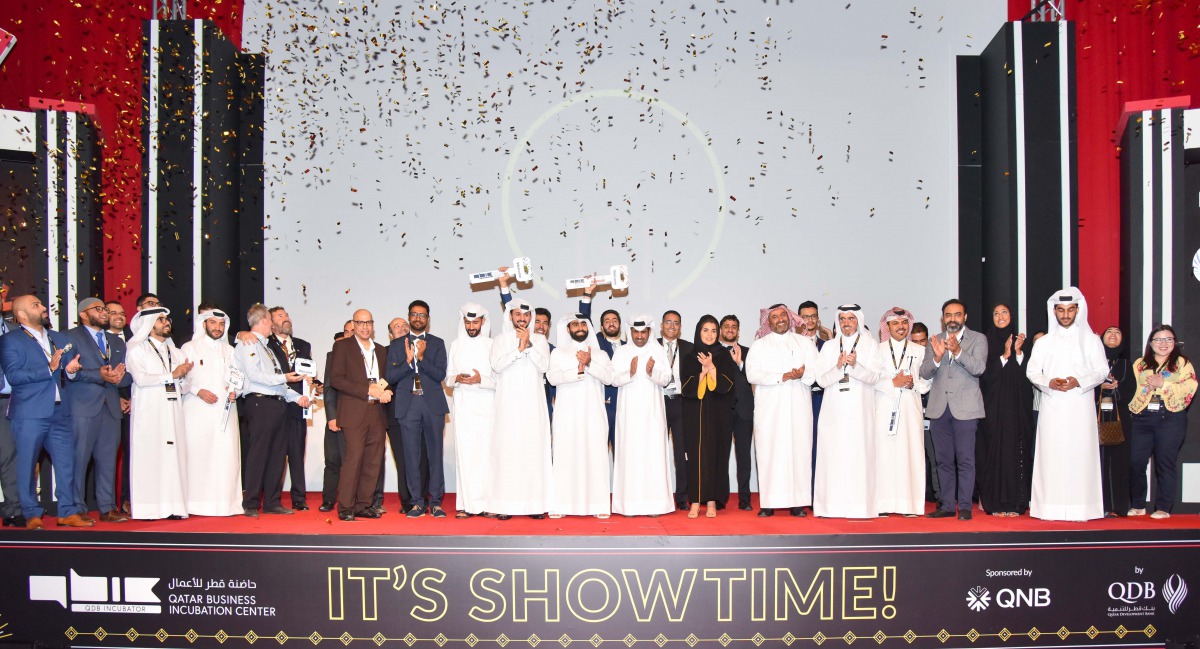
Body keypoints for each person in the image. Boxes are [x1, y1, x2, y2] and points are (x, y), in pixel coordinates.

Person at [0, 295, 88, 529]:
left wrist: (70, 371)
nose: (42, 308)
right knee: (26, 465)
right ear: (21, 315)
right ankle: (31, 514)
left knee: (67, 463)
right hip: (29, 413)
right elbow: (14, 376)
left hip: (60, 412)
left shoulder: (59, 338)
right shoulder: (11, 340)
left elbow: (70, 374)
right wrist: (47, 368)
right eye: (35, 305)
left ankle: (67, 512)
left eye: (41, 304)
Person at [1025, 288, 1108, 521]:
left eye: (1070, 310)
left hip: (1080, 407)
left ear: (1077, 311)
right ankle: (1048, 508)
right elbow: (1032, 372)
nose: (1065, 314)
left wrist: (1078, 381)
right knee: (1051, 456)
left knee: (1080, 456)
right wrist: (1049, 382)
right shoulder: (1044, 343)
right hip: (1052, 407)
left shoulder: (1091, 341)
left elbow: (1102, 371)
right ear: (1054, 312)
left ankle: (1082, 508)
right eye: (1061, 310)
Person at [233, 304, 310, 517]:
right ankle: (250, 503)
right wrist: (285, 377)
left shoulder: (267, 347)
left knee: (277, 454)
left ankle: (272, 501)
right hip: (260, 404)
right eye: (271, 319)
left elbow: (280, 385)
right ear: (265, 320)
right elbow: (255, 375)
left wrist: (298, 397)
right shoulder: (249, 343)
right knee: (259, 453)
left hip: (277, 403)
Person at [746, 304, 818, 517]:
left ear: (789, 318)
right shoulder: (759, 346)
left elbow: (815, 374)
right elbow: (752, 375)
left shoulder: (805, 343)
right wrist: (783, 376)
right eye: (775, 317)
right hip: (770, 411)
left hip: (798, 408)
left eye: (783, 316)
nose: (779, 320)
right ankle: (768, 502)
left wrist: (802, 374)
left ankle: (797, 502)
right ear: (768, 322)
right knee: (770, 452)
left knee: (798, 452)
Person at [813, 304, 883, 519]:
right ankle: (830, 508)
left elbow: (874, 378)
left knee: (858, 458)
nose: (846, 323)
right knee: (833, 457)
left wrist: (856, 366)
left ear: (858, 321)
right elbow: (821, 380)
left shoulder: (871, 345)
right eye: (842, 319)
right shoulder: (829, 347)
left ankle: (860, 508)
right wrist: (838, 367)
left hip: (859, 412)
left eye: (851, 319)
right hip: (833, 411)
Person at [920, 299, 987, 520]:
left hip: (966, 410)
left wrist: (958, 352)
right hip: (939, 409)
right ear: (943, 318)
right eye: (948, 315)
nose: (952, 319)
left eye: (957, 315)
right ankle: (947, 505)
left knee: (966, 459)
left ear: (965, 317)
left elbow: (978, 368)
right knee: (943, 460)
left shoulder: (978, 339)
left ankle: (965, 507)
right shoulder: (935, 341)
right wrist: (937, 358)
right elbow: (924, 372)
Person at [65, 297, 131, 523]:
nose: (104, 312)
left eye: (105, 309)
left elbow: (127, 374)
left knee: (108, 460)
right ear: (83, 314)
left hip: (111, 407)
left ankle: (107, 507)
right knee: (79, 459)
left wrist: (121, 378)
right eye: (99, 309)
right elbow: (69, 373)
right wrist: (99, 375)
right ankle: (77, 508)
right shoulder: (70, 337)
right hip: (83, 406)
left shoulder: (116, 341)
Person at [488, 298, 553, 519]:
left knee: (533, 453)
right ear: (510, 316)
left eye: (526, 315)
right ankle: (507, 506)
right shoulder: (499, 339)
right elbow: (496, 365)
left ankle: (535, 505)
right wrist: (518, 349)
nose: (522, 319)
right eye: (518, 315)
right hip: (507, 405)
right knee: (508, 453)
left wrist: (530, 345)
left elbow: (544, 366)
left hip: (533, 405)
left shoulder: (539, 339)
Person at [125, 307, 192, 520]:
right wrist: (172, 375)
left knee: (173, 456)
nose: (166, 322)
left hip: (173, 410)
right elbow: (141, 379)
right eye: (160, 319)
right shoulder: (137, 349)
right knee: (150, 457)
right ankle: (149, 509)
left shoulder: (177, 352)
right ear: (149, 325)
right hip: (149, 411)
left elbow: (186, 385)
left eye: (166, 319)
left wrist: (181, 379)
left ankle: (173, 506)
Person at [546, 314, 615, 518]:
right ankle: (562, 505)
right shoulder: (558, 353)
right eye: (575, 324)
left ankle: (598, 506)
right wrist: (577, 372)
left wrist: (590, 363)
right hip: (566, 414)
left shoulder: (600, 354)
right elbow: (551, 377)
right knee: (565, 456)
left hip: (593, 414)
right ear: (568, 329)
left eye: (583, 323)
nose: (579, 327)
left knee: (595, 456)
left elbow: (609, 378)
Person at [327, 309, 393, 521]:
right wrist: (367, 389)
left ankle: (364, 505)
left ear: (373, 325)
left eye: (369, 323)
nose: (365, 327)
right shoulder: (342, 346)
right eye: (360, 323)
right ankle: (346, 506)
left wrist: (386, 390)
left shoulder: (381, 350)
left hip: (377, 412)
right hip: (354, 411)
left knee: (373, 461)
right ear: (353, 325)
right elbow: (336, 379)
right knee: (353, 460)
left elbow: (385, 379)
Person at [386, 300, 449, 519]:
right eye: (414, 314)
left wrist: (421, 358)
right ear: (409, 316)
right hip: (408, 405)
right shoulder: (396, 346)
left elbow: (440, 375)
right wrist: (408, 361)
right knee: (411, 456)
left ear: (428, 319)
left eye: (422, 315)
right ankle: (416, 503)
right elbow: (391, 377)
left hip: (432, 404)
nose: (418, 318)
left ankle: (437, 503)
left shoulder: (437, 343)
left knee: (435, 455)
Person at [1127, 325, 1197, 519]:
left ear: (1175, 343)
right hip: (1142, 417)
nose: (1163, 343)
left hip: (1170, 418)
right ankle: (1138, 505)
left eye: (1168, 339)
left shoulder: (1182, 363)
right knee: (1135, 462)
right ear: (1151, 343)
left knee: (1165, 463)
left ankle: (1163, 508)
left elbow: (1190, 387)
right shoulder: (1140, 364)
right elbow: (1132, 388)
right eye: (1158, 339)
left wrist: (1163, 384)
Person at [179, 307, 242, 516]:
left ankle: (226, 505)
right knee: (199, 454)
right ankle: (196, 504)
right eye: (213, 323)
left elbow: (238, 379)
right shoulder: (189, 348)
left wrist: (236, 392)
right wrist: (199, 391)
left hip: (226, 410)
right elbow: (182, 381)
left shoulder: (230, 351)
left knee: (227, 455)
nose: (218, 328)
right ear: (204, 324)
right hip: (198, 410)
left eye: (222, 324)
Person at [610, 315, 674, 516]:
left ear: (649, 332)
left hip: (653, 415)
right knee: (630, 455)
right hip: (628, 415)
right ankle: (629, 505)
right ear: (630, 332)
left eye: (643, 332)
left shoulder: (658, 351)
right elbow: (612, 380)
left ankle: (654, 505)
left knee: (652, 456)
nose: (639, 336)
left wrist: (651, 372)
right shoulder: (621, 352)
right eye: (636, 332)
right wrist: (630, 372)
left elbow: (666, 380)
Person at [975, 304, 1034, 517]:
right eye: (996, 313)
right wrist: (1004, 355)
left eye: (1004, 313)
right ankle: (995, 504)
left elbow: (1030, 377)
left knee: (1016, 454)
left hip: (1017, 413)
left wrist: (1018, 353)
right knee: (994, 455)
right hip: (993, 413)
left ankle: (1016, 504)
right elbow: (985, 376)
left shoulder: (1023, 345)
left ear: (1011, 316)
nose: (1000, 316)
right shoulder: (985, 343)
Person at [873, 307, 930, 517]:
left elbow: (928, 380)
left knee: (910, 453)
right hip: (884, 407)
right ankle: (882, 504)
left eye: (904, 323)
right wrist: (892, 383)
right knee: (884, 454)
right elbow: (870, 379)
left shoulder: (920, 350)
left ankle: (909, 505)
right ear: (887, 326)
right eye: (895, 323)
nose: (900, 327)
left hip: (910, 407)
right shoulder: (876, 350)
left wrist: (913, 384)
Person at [680, 315, 736, 519]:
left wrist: (712, 368)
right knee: (694, 457)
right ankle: (695, 502)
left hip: (718, 415)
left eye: (713, 330)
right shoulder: (689, 356)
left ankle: (711, 501)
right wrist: (701, 374)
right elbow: (686, 388)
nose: (710, 334)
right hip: (694, 415)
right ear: (698, 331)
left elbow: (728, 385)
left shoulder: (724, 356)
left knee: (714, 455)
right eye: (706, 330)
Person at [444, 303, 496, 518]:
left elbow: (499, 380)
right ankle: (466, 504)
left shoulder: (493, 345)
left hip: (487, 406)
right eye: (468, 322)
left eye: (475, 322)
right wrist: (456, 378)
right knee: (465, 454)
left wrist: (480, 379)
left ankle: (488, 503)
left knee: (486, 455)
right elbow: (448, 378)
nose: (471, 326)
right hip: (464, 406)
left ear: (483, 322)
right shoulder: (455, 345)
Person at [266, 306, 314, 511]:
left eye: (287, 315)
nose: (286, 319)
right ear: (270, 323)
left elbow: (309, 372)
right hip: (275, 404)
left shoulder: (303, 345)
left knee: (297, 452)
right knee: (275, 454)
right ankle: (271, 497)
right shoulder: (265, 344)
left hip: (299, 405)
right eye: (280, 316)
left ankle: (299, 497)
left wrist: (314, 384)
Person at [719, 314, 754, 511]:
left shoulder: (750, 352)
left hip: (744, 412)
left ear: (738, 331)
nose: (730, 330)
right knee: (721, 457)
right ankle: (720, 498)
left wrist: (740, 364)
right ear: (721, 330)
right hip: (721, 412)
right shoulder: (713, 353)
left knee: (744, 457)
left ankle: (745, 499)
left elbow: (755, 376)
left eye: (734, 327)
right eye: (726, 326)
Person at [659, 310, 693, 510]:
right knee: (656, 451)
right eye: (668, 322)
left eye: (676, 323)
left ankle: (682, 497)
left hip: (681, 404)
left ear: (680, 327)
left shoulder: (689, 348)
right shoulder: (651, 346)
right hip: (658, 403)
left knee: (682, 453)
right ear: (662, 326)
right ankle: (658, 496)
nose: (672, 326)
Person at [1098, 326, 1132, 517]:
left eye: (1117, 332)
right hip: (1097, 418)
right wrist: (1100, 387)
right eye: (1109, 332)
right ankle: (1099, 505)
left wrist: (1116, 388)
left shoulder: (1127, 365)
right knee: (1099, 462)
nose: (1112, 335)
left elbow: (1131, 392)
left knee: (1119, 462)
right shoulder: (1094, 364)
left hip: (1120, 420)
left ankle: (1118, 506)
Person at [319, 322, 354, 512]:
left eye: (352, 331)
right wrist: (331, 416)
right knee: (332, 460)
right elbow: (328, 387)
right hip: (336, 416)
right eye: (346, 331)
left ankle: (352, 501)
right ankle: (328, 499)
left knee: (354, 461)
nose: (349, 335)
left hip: (357, 417)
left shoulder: (367, 355)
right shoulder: (333, 356)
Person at [105, 300, 133, 514]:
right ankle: (107, 503)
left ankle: (129, 499)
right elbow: (102, 373)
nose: (119, 316)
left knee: (134, 455)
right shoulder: (100, 340)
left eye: (122, 313)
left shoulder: (136, 340)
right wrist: (115, 398)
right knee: (109, 456)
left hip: (135, 403)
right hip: (107, 404)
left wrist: (135, 399)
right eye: (113, 313)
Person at [797, 301, 828, 493]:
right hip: (798, 399)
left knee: (819, 445)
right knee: (799, 445)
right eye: (805, 316)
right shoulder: (792, 344)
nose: (809, 320)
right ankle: (800, 493)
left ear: (818, 319)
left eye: (813, 316)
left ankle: (817, 493)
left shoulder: (827, 346)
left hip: (819, 400)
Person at [909, 322, 939, 504]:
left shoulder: (935, 358)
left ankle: (939, 498)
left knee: (935, 459)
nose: (919, 345)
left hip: (932, 415)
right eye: (915, 341)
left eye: (922, 341)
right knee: (913, 459)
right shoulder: (906, 357)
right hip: (911, 415)